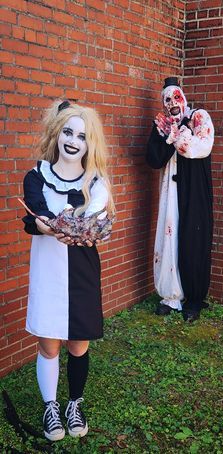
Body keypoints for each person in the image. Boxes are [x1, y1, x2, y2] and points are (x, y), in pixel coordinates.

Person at [22, 100, 115, 441]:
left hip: (82, 273)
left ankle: (74, 402)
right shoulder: (36, 176)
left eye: (82, 135)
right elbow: (38, 210)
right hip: (48, 269)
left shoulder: (97, 182)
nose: (74, 141)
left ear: (91, 142)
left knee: (78, 345)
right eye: (68, 132)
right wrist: (45, 223)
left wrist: (77, 223)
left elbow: (95, 215)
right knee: (49, 346)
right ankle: (51, 406)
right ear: (57, 133)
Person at [146, 77, 214, 322]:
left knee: (193, 238)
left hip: (193, 190)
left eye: (176, 97)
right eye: (167, 99)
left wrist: (181, 138)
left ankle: (194, 299)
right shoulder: (162, 125)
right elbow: (153, 159)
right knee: (169, 236)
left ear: (183, 98)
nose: (172, 102)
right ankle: (171, 295)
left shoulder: (198, 117)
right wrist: (168, 136)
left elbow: (203, 147)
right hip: (170, 191)